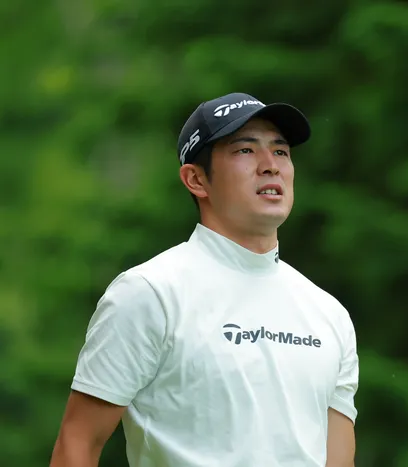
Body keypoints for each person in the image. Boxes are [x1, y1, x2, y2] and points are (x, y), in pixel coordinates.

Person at [49, 92, 359, 467]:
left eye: (280, 151)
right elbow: (77, 445)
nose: (270, 166)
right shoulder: (150, 293)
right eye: (245, 150)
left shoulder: (329, 314)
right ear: (196, 179)